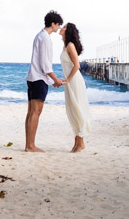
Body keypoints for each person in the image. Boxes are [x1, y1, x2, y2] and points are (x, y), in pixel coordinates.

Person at [25, 10, 64, 152]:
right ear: (52, 24)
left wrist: (51, 80)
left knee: (31, 112)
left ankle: (29, 145)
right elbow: (45, 65)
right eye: (58, 24)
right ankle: (30, 146)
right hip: (38, 78)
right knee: (36, 112)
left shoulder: (39, 36)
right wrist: (56, 79)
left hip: (34, 78)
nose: (59, 27)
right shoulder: (45, 38)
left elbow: (42, 64)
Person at [59, 22, 91, 153]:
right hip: (70, 82)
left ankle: (80, 143)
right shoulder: (65, 46)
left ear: (68, 31)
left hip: (74, 81)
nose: (61, 28)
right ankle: (77, 143)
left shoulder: (70, 46)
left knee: (78, 109)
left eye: (64, 27)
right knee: (72, 111)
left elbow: (76, 65)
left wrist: (67, 79)